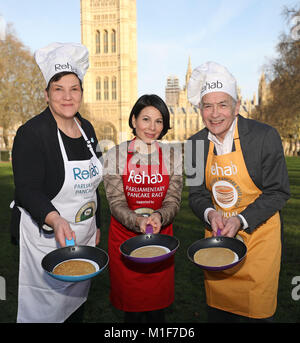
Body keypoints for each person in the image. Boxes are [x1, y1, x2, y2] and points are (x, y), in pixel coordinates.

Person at [186, 61, 290, 322]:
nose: (215, 113)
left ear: (237, 105)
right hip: (218, 241)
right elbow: (196, 194)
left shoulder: (265, 136)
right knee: (220, 314)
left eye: (222, 104)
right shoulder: (194, 144)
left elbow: (278, 192)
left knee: (257, 313)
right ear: (200, 109)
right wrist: (211, 214)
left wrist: (240, 220)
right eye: (207, 105)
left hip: (259, 242)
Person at [11, 42, 103, 323]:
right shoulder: (32, 133)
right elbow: (27, 189)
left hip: (83, 237)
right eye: (58, 89)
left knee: (75, 310)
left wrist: (97, 224)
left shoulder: (86, 129)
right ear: (46, 94)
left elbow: (93, 187)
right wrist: (55, 219)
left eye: (73, 88)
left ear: (81, 94)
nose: (67, 96)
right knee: (45, 315)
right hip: (47, 240)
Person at [103, 94, 183, 323]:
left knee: (157, 313)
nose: (152, 127)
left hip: (160, 242)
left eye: (159, 121)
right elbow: (116, 202)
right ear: (134, 120)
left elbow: (173, 200)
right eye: (146, 119)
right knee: (133, 314)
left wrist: (159, 215)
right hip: (125, 243)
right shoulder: (115, 155)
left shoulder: (173, 156)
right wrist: (138, 221)